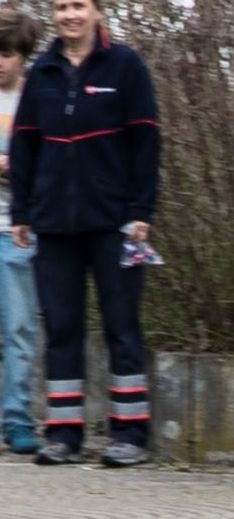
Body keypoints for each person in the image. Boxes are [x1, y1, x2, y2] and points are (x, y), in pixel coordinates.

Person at [9, 0, 159, 466]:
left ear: (96, 12)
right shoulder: (43, 72)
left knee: (121, 328)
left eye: (78, 5)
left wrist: (140, 210)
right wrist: (22, 212)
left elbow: (147, 141)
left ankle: (130, 435)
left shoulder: (126, 64)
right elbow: (26, 144)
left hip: (114, 222)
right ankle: (64, 434)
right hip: (54, 224)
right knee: (61, 331)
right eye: (61, 7)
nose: (69, 15)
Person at [0, 8, 41, 455]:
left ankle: (17, 419)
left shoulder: (36, 98)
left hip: (18, 231)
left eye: (7, 54)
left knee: (20, 330)